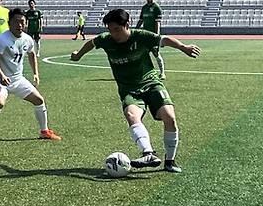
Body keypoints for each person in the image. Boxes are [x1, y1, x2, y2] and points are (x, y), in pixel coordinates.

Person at [70, 9, 201, 173]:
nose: (113, 34)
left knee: (170, 117)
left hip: (151, 83)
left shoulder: (141, 36)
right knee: (132, 115)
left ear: (127, 24)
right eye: (110, 30)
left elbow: (164, 40)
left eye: (117, 29)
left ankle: (170, 161)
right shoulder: (106, 40)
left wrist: (183, 47)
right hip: (129, 89)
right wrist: (78, 54)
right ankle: (148, 153)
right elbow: (92, 43)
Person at [0, 8, 62, 142]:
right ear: (9, 23)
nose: (20, 25)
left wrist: (36, 73)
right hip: (1, 80)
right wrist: (1, 75)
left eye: (22, 22)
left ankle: (44, 131)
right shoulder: (2, 39)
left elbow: (32, 54)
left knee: (39, 100)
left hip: (18, 79)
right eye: (16, 22)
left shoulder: (27, 39)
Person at [136, 0, 166, 79]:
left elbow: (157, 23)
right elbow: (141, 20)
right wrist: (135, 30)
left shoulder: (156, 8)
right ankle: (143, 73)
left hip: (152, 35)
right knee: (142, 54)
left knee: (156, 53)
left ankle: (162, 73)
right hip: (145, 35)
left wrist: (156, 36)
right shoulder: (144, 8)